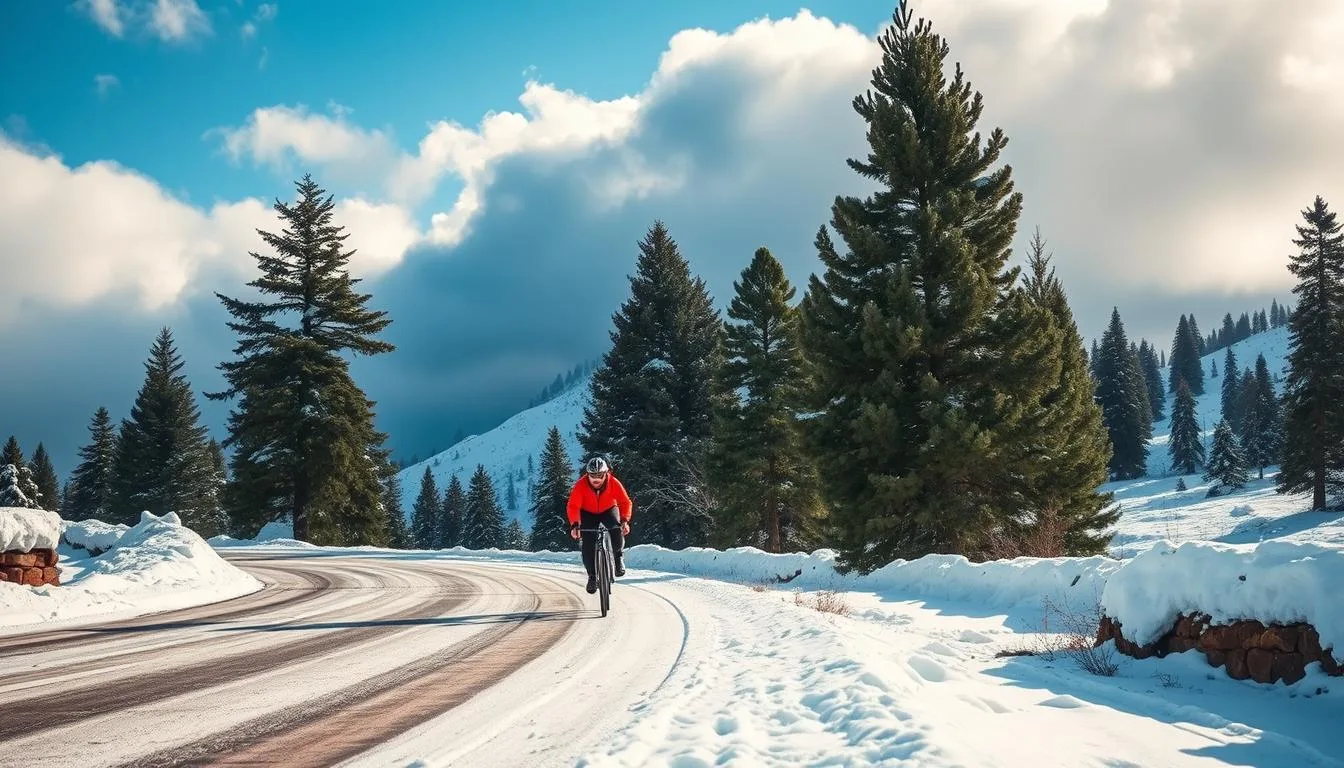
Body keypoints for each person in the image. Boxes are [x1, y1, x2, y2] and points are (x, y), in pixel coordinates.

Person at [567, 456, 632, 593]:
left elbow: (625, 502)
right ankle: (592, 576)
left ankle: (618, 559)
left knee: (615, 528)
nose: (596, 479)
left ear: (606, 473)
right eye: (592, 475)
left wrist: (625, 521)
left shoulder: (613, 482)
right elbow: (573, 506)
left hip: (608, 509)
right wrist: (575, 525)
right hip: (588, 512)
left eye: (600, 475)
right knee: (588, 543)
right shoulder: (581, 485)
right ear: (587, 475)